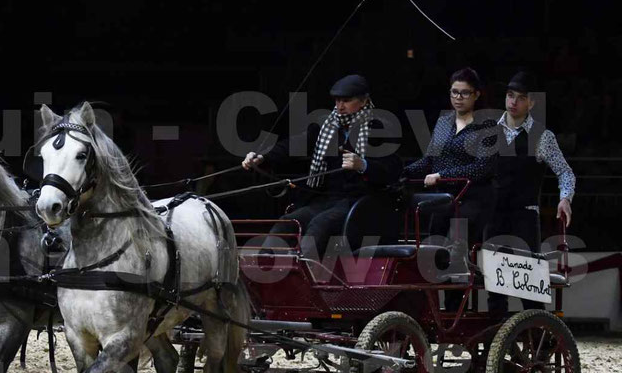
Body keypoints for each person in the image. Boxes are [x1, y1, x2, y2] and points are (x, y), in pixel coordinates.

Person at [242, 74, 403, 256]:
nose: (339, 106)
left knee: (321, 223)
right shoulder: (326, 126)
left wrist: (363, 165)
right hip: (327, 199)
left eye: (346, 101)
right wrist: (263, 157)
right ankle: (265, 265)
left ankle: (303, 273)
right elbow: (295, 144)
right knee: (288, 223)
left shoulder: (380, 128)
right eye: (337, 101)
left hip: (359, 201)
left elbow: (393, 169)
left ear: (364, 101)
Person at [402, 67, 498, 309]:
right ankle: (433, 308)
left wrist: (442, 175)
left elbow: (482, 168)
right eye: (454, 92)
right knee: (431, 249)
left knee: (456, 244)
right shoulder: (444, 122)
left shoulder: (487, 126)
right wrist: (403, 172)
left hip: (473, 198)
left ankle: (457, 307)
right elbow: (429, 160)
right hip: (443, 198)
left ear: (476, 95)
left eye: (464, 93)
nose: (458, 98)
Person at [487, 71, 576, 314]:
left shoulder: (542, 136)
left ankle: (539, 338)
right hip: (493, 216)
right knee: (495, 287)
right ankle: (495, 342)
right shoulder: (489, 132)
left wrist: (564, 198)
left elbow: (565, 173)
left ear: (531, 102)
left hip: (525, 215)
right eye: (509, 95)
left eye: (520, 97)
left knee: (529, 285)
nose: (513, 102)